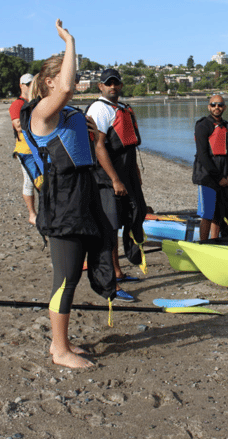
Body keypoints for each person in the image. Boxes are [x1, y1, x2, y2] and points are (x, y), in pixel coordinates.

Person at [20, 19, 114, 369]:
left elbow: (81, 146)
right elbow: (66, 92)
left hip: (81, 197)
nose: (74, 82)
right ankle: (59, 350)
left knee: (72, 274)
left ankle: (62, 344)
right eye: (66, 76)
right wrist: (70, 41)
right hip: (63, 205)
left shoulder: (64, 114)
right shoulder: (42, 112)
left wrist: (91, 134)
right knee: (65, 279)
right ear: (49, 82)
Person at [85, 68, 146, 302]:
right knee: (109, 229)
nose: (113, 87)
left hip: (126, 174)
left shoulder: (121, 108)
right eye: (108, 84)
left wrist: (134, 174)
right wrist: (115, 179)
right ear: (100, 87)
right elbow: (99, 146)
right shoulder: (100, 109)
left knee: (130, 218)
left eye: (116, 83)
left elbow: (129, 148)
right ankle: (110, 282)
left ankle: (119, 272)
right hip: (108, 177)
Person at [192, 94, 228, 241]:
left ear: (224, 107)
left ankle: (215, 241)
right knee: (208, 213)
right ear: (209, 107)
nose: (217, 107)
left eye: (220, 104)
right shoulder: (203, 125)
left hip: (225, 175)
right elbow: (202, 155)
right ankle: (203, 243)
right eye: (213, 104)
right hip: (208, 176)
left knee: (221, 212)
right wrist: (218, 179)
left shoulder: (227, 127)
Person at [8, 73, 38, 225]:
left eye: (32, 83)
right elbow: (18, 126)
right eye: (27, 84)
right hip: (24, 150)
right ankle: (32, 214)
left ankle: (44, 211)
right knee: (29, 182)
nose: (30, 86)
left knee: (42, 181)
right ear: (21, 86)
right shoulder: (17, 104)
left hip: (39, 149)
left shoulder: (37, 102)